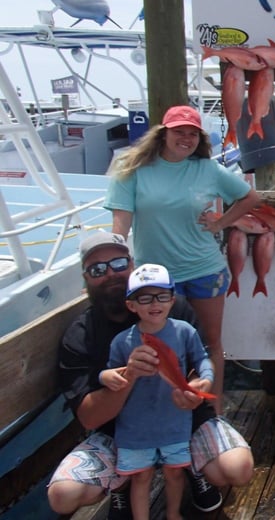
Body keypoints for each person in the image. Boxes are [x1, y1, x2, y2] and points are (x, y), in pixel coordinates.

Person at [48, 232, 254, 520]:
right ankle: (123, 480)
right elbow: (90, 418)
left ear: (132, 264)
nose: (110, 274)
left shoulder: (176, 312)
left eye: (119, 263)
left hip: (183, 424)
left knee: (237, 468)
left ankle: (192, 468)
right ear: (85, 278)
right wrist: (129, 375)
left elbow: (202, 357)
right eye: (97, 269)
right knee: (62, 496)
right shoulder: (80, 336)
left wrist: (198, 387)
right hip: (122, 435)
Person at [105, 105, 261, 409]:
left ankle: (212, 411)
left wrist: (220, 222)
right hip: (156, 278)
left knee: (211, 343)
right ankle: (168, 411)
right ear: (163, 134)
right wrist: (116, 266)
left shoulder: (208, 169)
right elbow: (120, 227)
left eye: (192, 133)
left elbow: (250, 197)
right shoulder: (132, 169)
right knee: (161, 346)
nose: (186, 138)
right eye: (179, 132)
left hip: (205, 270)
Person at [99, 263, 214, 520]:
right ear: (132, 305)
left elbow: (203, 359)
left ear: (172, 300)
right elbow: (110, 372)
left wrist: (205, 380)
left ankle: (173, 514)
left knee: (175, 473)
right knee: (141, 477)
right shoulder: (122, 341)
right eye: (144, 297)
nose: (155, 303)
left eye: (162, 295)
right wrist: (105, 376)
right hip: (135, 426)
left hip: (174, 421)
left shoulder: (185, 331)